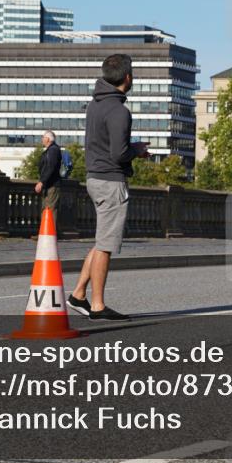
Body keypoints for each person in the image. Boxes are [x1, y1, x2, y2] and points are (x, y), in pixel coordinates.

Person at [66, 54, 149, 321]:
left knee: (102, 240)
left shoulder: (95, 104)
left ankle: (79, 294)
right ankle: (99, 306)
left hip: (94, 177)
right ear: (128, 77)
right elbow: (118, 154)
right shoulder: (119, 111)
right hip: (111, 181)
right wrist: (136, 150)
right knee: (106, 246)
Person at [35, 130, 61, 220]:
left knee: (50, 209)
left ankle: (49, 233)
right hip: (49, 185)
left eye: (43, 137)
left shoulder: (53, 150)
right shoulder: (50, 150)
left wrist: (41, 182)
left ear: (48, 139)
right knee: (47, 209)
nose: (42, 139)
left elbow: (50, 167)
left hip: (52, 185)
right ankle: (45, 233)